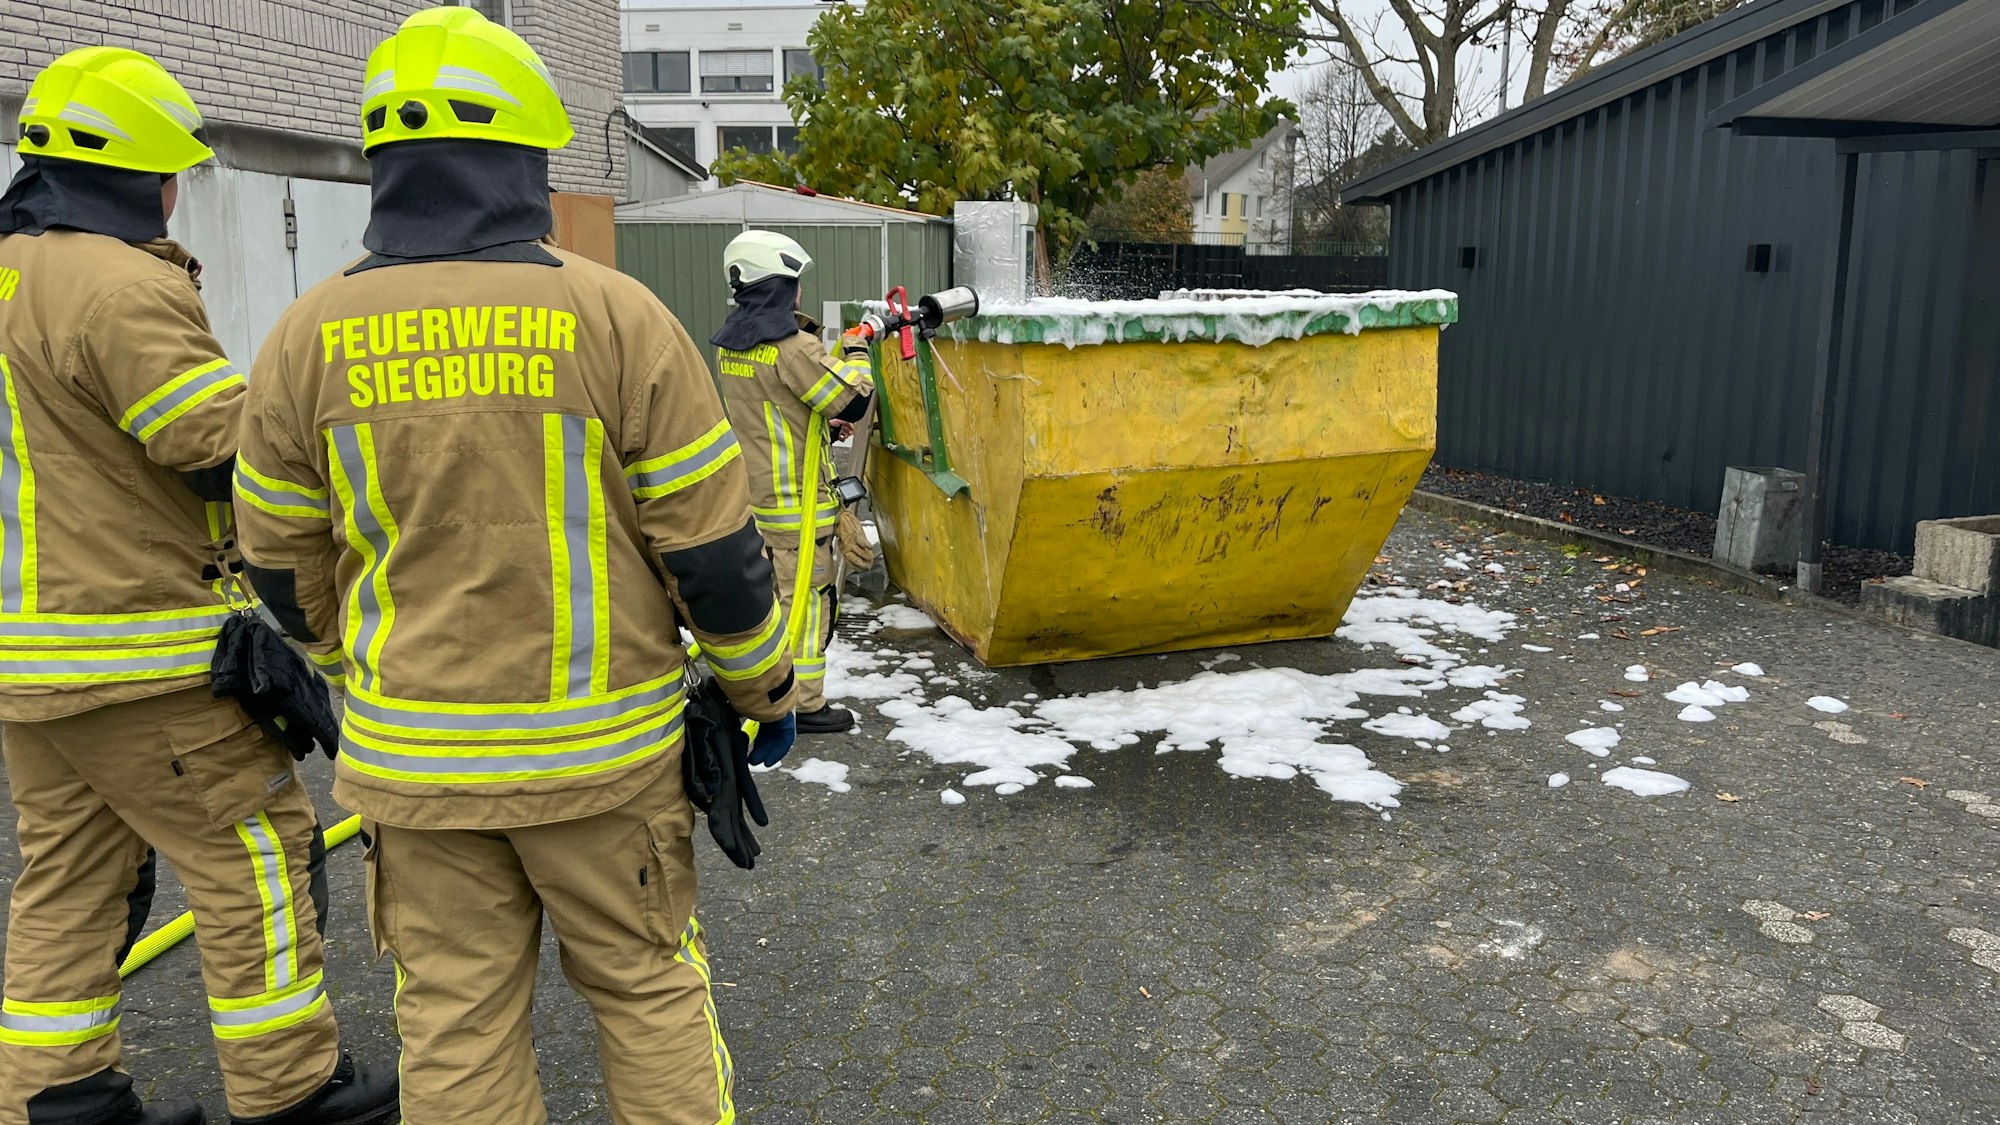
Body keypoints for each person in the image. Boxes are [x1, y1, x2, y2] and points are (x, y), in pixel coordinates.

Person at [230, 9, 798, 1123]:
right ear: (529, 159)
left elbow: (280, 566)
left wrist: (359, 660)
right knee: (643, 993)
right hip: (601, 761)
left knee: (453, 1025)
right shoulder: (616, 318)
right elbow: (716, 559)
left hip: (417, 768)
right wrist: (760, 687)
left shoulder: (302, 338)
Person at [0, 48, 397, 1125]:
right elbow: (223, 447)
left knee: (69, 882)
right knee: (253, 856)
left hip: (28, 667)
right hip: (138, 652)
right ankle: (292, 1092)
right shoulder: (117, 284)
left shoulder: (11, 271)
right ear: (137, 172)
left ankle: (53, 1097)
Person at [711, 231, 874, 735]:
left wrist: (819, 422)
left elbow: (778, 411)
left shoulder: (733, 345)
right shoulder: (793, 348)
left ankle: (759, 690)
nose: (799, 293)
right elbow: (854, 401)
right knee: (805, 605)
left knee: (771, 600)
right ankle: (804, 705)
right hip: (797, 509)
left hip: (756, 500)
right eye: (794, 283)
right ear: (779, 286)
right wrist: (858, 350)